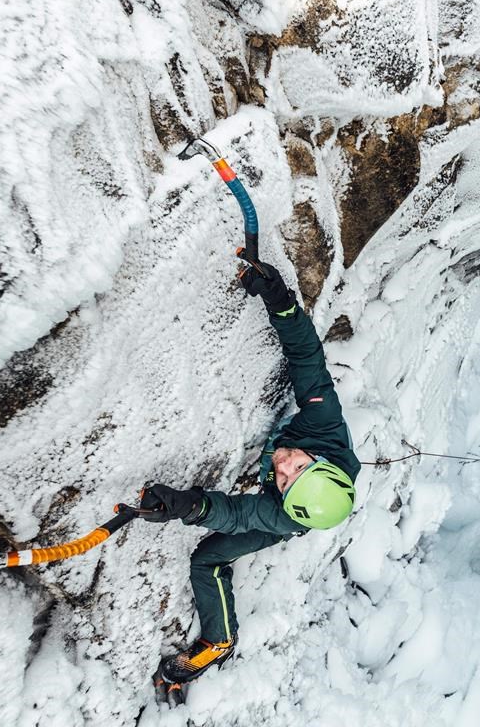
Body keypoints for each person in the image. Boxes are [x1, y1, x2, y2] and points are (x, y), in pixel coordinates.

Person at [141, 261, 360, 693]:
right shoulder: (325, 424)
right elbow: (306, 360)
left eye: (283, 480)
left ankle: (218, 640)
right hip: (314, 480)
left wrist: (186, 506)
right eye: (298, 466)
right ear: (320, 461)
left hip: (282, 518)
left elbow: (239, 514)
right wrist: (280, 302)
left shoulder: (285, 515)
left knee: (207, 559)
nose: (282, 466)